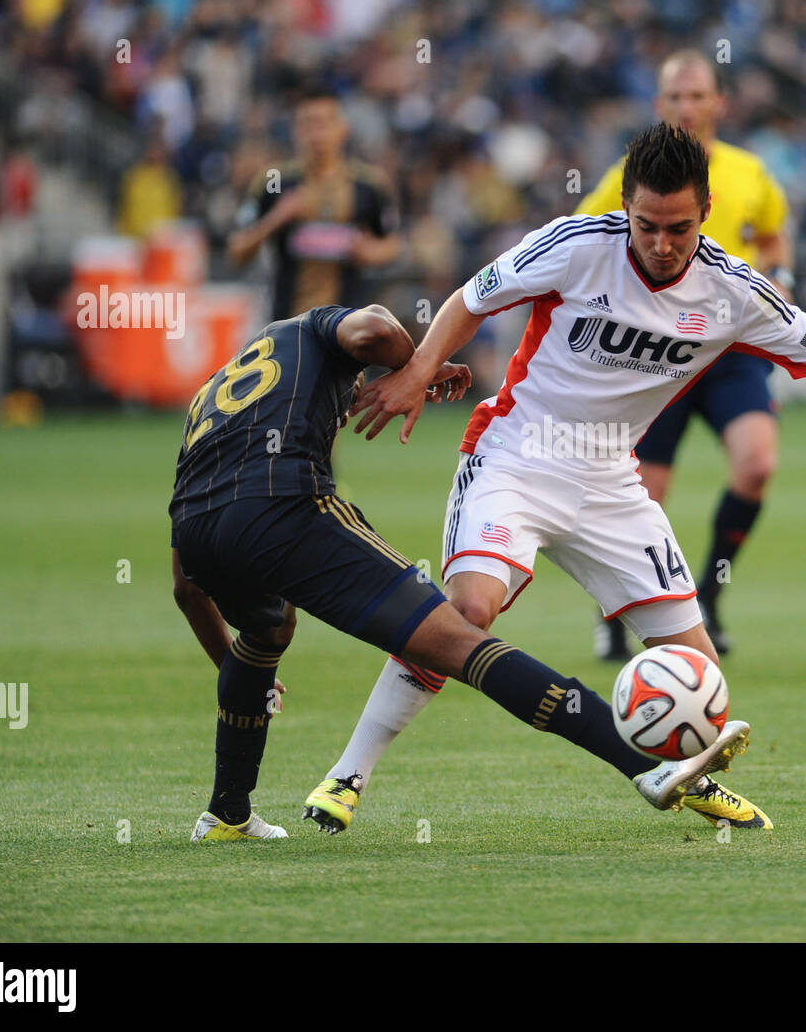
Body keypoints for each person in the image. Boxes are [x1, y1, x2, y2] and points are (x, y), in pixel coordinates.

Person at [323, 122, 806, 835]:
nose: (662, 243)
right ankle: (347, 774)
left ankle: (690, 777)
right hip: (516, 457)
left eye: (679, 228)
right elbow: (470, 299)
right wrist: (418, 370)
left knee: (701, 674)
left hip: (612, 483)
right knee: (469, 613)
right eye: (647, 225)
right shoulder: (576, 245)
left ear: (706, 211)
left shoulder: (735, 292)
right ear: (626, 207)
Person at [169, 300, 759, 841]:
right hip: (287, 508)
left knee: (267, 630)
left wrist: (233, 669)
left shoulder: (219, 396)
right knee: (461, 641)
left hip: (196, 526)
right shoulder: (314, 327)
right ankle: (645, 766)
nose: (355, 399)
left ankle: (226, 814)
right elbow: (374, 327)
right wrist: (418, 365)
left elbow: (186, 588)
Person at [578, 50, 795, 658]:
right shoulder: (629, 175)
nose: (687, 107)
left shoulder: (749, 172)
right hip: (656, 354)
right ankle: (616, 613)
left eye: (697, 95)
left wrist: (780, 276)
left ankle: (709, 599)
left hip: (730, 350)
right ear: (659, 105)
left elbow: (773, 233)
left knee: (757, 465)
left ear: (719, 103)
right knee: (641, 497)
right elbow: (583, 235)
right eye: (675, 97)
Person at [227, 86, 403, 321]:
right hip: (286, 324)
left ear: (343, 129)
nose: (317, 134)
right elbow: (237, 250)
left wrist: (369, 252)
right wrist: (276, 218)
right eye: (308, 124)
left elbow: (393, 244)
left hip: (350, 326)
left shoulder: (369, 185)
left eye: (324, 123)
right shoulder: (274, 181)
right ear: (296, 131)